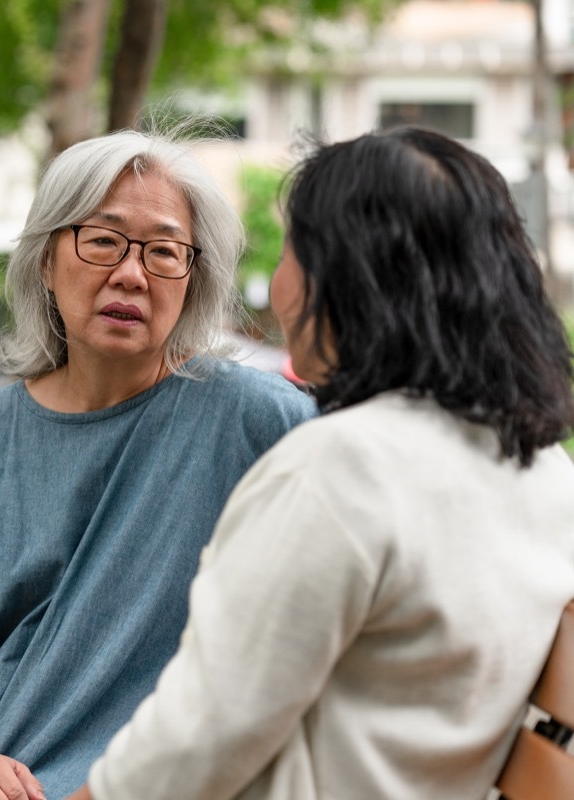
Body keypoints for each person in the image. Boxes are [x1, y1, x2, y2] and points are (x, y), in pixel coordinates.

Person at [70, 127, 574, 800]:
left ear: (348, 280)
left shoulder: (340, 469)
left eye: (291, 251)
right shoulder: (545, 470)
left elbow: (188, 750)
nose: (279, 284)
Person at [0, 128, 317, 800]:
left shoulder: (259, 419)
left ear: (194, 277)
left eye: (163, 251)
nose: (130, 273)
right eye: (102, 240)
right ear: (45, 258)